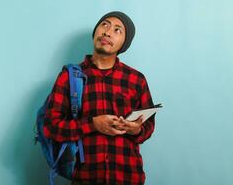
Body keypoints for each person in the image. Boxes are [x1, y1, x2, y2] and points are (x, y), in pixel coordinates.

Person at [43, 11, 156, 185]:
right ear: (96, 31)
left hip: (128, 177)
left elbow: (148, 126)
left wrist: (136, 130)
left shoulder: (136, 79)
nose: (107, 32)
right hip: (85, 178)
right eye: (104, 24)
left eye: (117, 30)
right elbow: (50, 127)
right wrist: (93, 124)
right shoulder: (70, 76)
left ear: (123, 43)